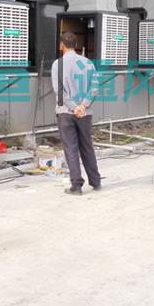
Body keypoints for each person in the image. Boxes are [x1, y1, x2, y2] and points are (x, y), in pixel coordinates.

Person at [51, 31, 102, 195]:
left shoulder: (58, 64)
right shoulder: (88, 63)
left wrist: (74, 107)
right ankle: (95, 181)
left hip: (65, 113)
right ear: (76, 45)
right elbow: (94, 87)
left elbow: (59, 92)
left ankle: (77, 185)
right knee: (87, 146)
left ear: (62, 45)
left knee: (71, 148)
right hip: (85, 113)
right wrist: (83, 106)